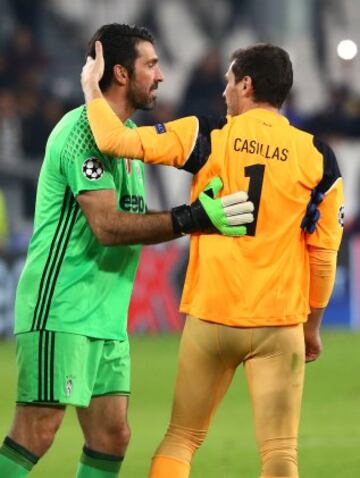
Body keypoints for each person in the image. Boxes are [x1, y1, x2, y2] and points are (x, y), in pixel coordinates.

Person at [0, 24, 256, 478]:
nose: (160, 76)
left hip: (106, 317)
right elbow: (107, 226)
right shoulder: (82, 132)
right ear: (120, 72)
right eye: (151, 65)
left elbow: (133, 218)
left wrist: (197, 209)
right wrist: (190, 218)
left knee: (111, 437)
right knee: (37, 429)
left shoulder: (128, 138)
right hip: (61, 308)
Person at [80, 41, 344, 478]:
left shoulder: (207, 133)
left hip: (211, 317)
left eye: (227, 81)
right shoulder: (317, 155)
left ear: (246, 83)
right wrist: (312, 327)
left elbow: (113, 140)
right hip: (279, 322)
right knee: (280, 454)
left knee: (181, 440)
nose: (223, 91)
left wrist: (92, 86)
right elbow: (322, 255)